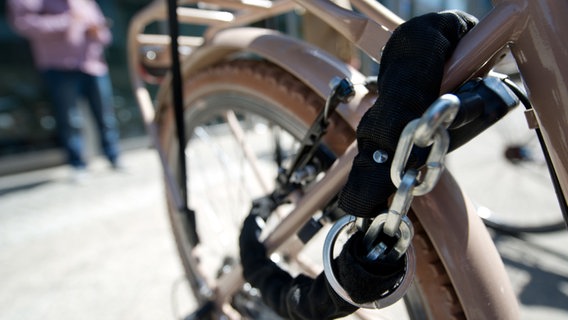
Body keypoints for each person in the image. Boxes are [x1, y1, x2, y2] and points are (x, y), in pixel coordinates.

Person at [6, 0, 123, 179]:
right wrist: (67, 21)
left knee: (105, 115)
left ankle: (114, 157)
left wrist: (96, 31)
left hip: (93, 65)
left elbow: (105, 36)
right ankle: (78, 164)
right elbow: (23, 24)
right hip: (59, 67)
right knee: (70, 120)